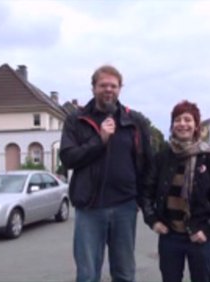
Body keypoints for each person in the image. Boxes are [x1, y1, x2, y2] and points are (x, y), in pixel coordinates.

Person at [60, 65, 153, 282]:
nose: (108, 90)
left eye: (113, 85)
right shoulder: (76, 120)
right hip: (90, 209)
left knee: (124, 272)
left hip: (125, 206)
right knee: (87, 274)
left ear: (120, 89)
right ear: (93, 88)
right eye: (103, 85)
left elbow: (148, 163)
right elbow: (68, 158)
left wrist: (142, 199)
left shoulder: (135, 121)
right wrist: (99, 140)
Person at [140, 100, 210, 282]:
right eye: (177, 120)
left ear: (196, 125)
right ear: (172, 125)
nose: (182, 124)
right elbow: (146, 192)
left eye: (187, 119)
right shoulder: (162, 157)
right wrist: (152, 220)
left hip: (200, 237)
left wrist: (208, 229)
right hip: (170, 237)